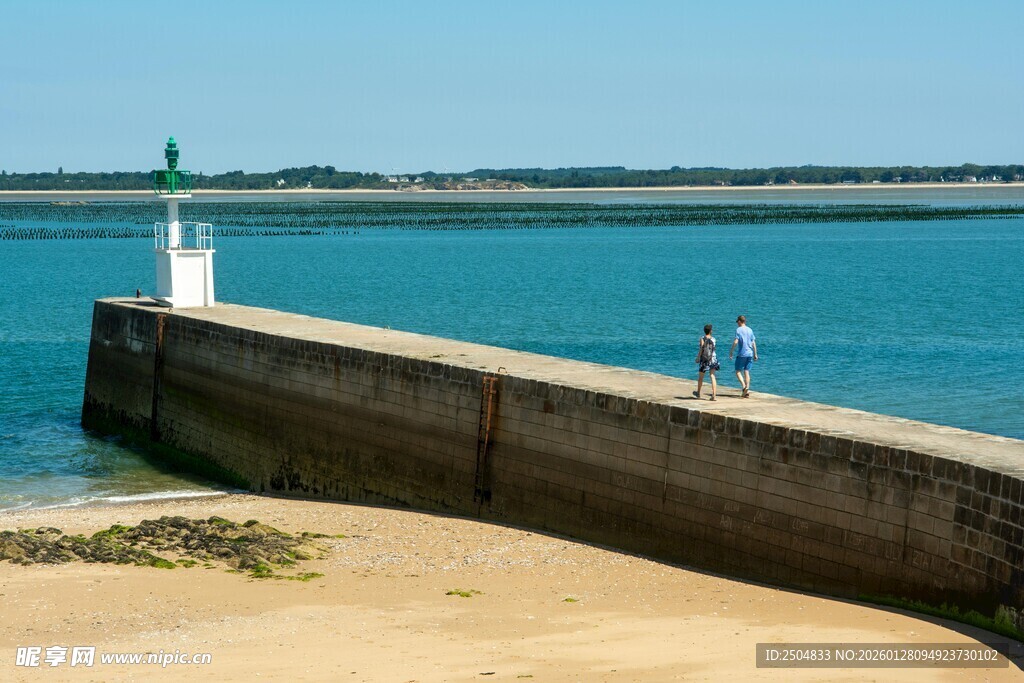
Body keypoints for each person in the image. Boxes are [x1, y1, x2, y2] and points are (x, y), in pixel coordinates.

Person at [729, 315, 758, 397]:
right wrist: (755, 354)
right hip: (750, 353)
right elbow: (753, 343)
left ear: (739, 321)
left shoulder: (738, 330)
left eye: (737, 322)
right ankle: (747, 390)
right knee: (747, 371)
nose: (737, 323)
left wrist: (731, 351)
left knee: (738, 371)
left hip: (742, 353)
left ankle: (744, 386)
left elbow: (736, 341)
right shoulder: (750, 330)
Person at [693, 324, 719, 401]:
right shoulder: (714, 339)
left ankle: (698, 393)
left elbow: (702, 348)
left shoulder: (702, 338)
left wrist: (698, 357)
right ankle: (714, 395)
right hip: (713, 359)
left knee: (701, 377)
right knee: (712, 376)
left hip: (704, 360)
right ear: (711, 331)